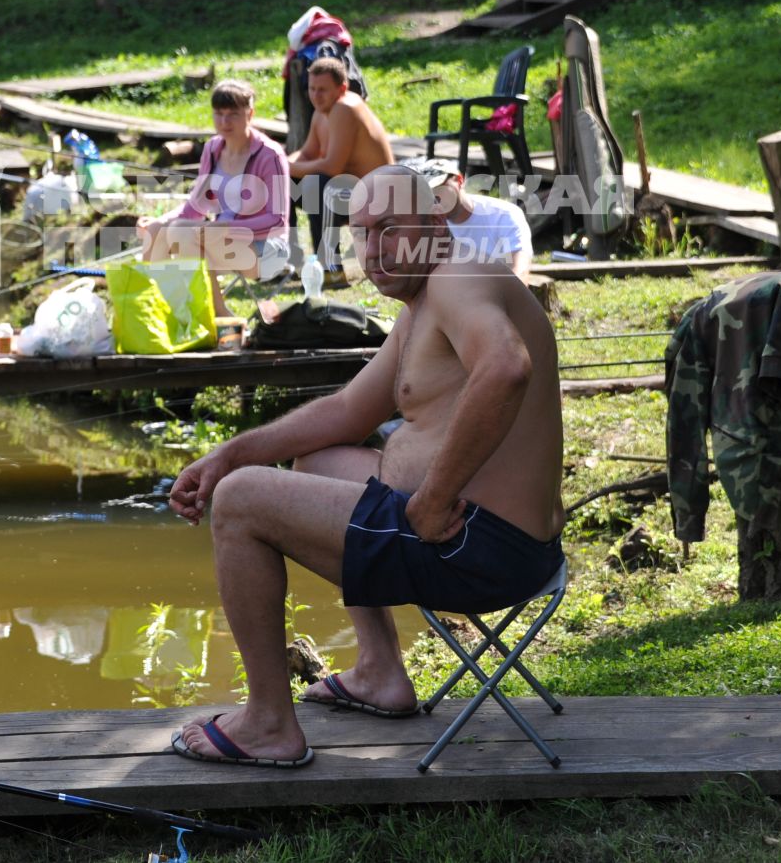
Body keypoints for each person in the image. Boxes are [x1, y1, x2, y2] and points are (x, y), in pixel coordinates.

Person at [165, 165, 564, 767]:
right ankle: (379, 670)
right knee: (317, 459)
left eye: (388, 230)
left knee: (243, 501)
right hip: (489, 540)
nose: (373, 251)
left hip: (473, 546)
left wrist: (431, 499)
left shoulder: (459, 278)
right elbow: (350, 411)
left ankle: (269, 723)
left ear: (433, 224)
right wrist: (230, 453)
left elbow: (506, 366)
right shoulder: (423, 304)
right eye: (362, 234)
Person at [137, 79, 292, 311]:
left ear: (250, 114)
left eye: (233, 114)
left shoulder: (270, 155)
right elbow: (195, 208)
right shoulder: (212, 149)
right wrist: (159, 222)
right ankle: (158, 311)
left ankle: (215, 316)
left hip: (266, 249)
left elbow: (277, 220)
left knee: (181, 232)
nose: (225, 121)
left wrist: (225, 228)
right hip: (216, 241)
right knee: (157, 232)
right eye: (219, 114)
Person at [287, 56, 393, 265]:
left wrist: (286, 166)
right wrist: (282, 165)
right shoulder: (322, 111)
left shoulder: (345, 108)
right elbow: (306, 153)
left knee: (317, 185)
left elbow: (331, 167)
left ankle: (329, 266)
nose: (316, 96)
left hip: (377, 199)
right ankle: (287, 258)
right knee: (283, 183)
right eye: (312, 89)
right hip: (350, 194)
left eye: (323, 90)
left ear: (342, 88)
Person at [407, 156, 534, 277]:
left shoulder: (505, 215)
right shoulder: (429, 226)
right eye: (429, 193)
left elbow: (520, 271)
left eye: (440, 188)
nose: (436, 198)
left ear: (459, 180)